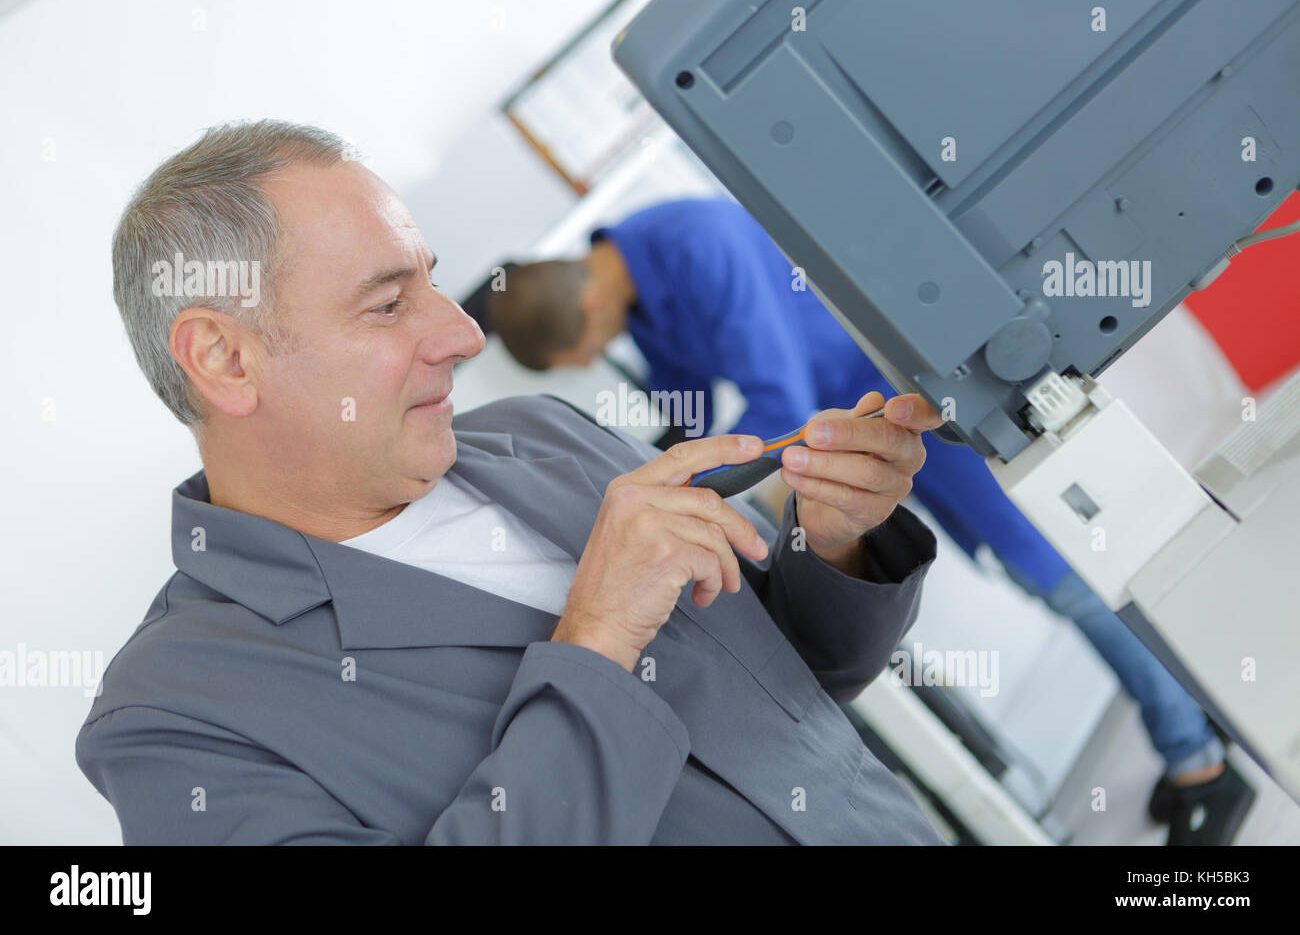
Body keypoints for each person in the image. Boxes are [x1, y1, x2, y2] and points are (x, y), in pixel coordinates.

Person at [77, 121, 952, 845]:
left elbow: (793, 693)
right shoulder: (177, 716)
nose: (461, 332)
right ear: (226, 359)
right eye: (387, 304)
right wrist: (598, 639)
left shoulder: (538, 435)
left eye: (429, 282)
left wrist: (832, 539)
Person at [490, 197, 1256, 845]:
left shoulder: (697, 242)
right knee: (1036, 579)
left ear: (586, 309)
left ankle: (1200, 763)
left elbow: (776, 405)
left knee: (1059, 577)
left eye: (582, 352)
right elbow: (689, 422)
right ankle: (1192, 726)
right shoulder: (638, 301)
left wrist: (699, 510)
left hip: (913, 395)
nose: (597, 355)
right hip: (865, 432)